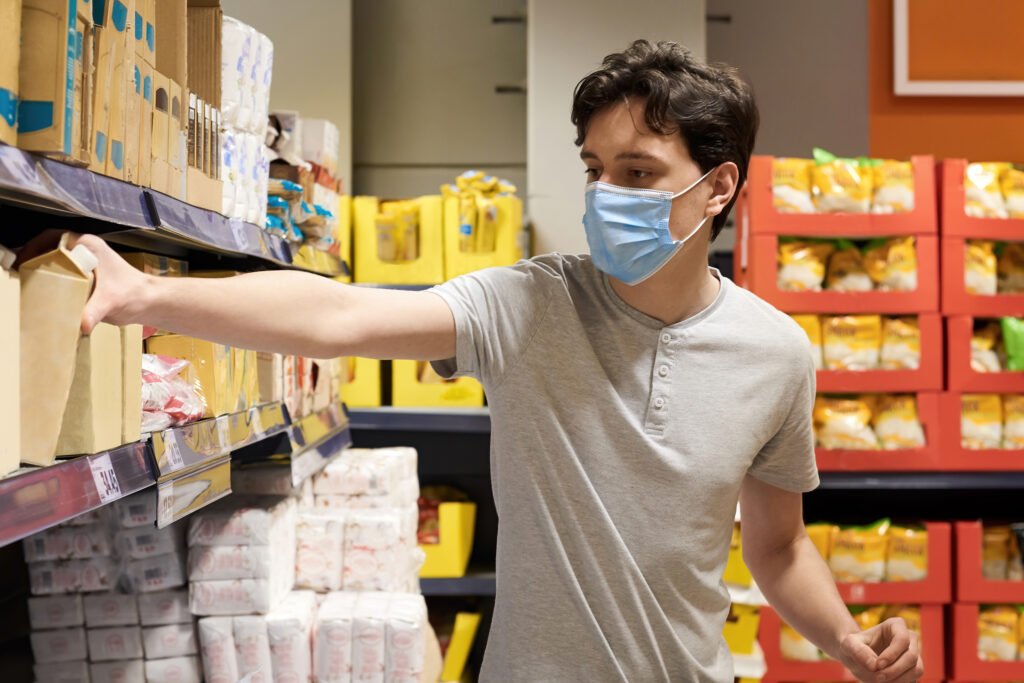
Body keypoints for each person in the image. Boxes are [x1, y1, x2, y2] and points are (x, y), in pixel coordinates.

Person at [57, 40, 921, 683]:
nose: (605, 196)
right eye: (595, 169)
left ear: (719, 188)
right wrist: (147, 297)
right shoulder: (533, 304)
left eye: (639, 171)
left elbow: (777, 548)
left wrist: (845, 637)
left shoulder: (776, 353)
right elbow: (340, 313)